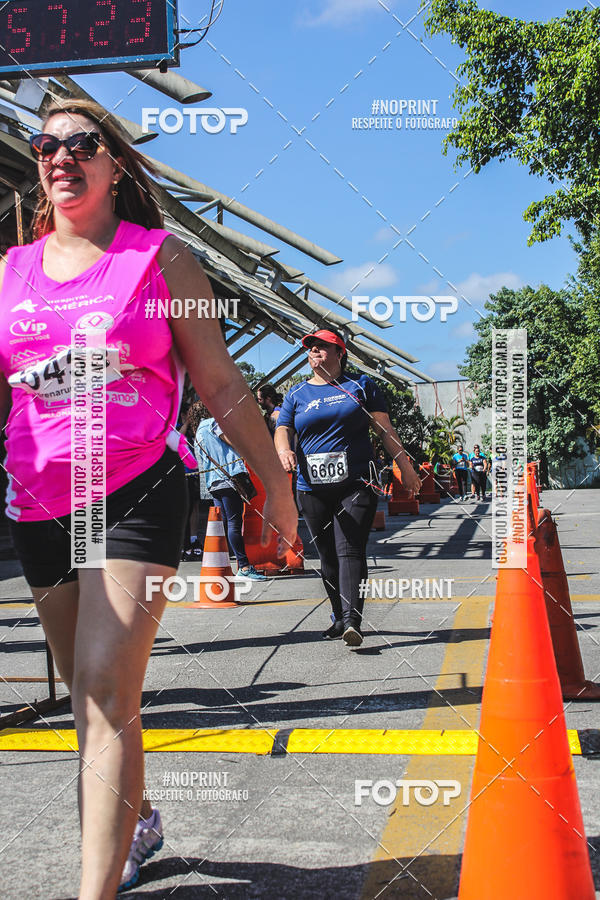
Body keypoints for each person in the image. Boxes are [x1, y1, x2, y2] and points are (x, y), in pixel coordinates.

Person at [0, 99, 297, 899]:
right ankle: (143, 818)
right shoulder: (8, 271)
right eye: (47, 144)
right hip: (39, 500)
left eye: (83, 143)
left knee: (100, 687)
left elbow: (222, 383)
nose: (62, 156)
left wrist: (275, 483)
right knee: (97, 700)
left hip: (135, 485)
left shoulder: (163, 260)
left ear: (116, 164)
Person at [275, 329, 421, 647]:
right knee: (327, 554)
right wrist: (284, 450)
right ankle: (339, 616)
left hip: (356, 482)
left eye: (322, 347)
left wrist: (406, 467)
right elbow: (282, 427)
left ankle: (353, 620)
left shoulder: (361, 386)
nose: (314, 352)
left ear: (340, 352)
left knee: (349, 548)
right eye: (310, 348)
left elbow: (385, 430)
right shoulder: (296, 394)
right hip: (311, 487)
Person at [191, 400, 267, 580]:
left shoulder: (198, 434)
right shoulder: (213, 424)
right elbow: (233, 442)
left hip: (213, 483)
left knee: (223, 525)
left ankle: (222, 565)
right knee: (234, 524)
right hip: (229, 479)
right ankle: (244, 567)